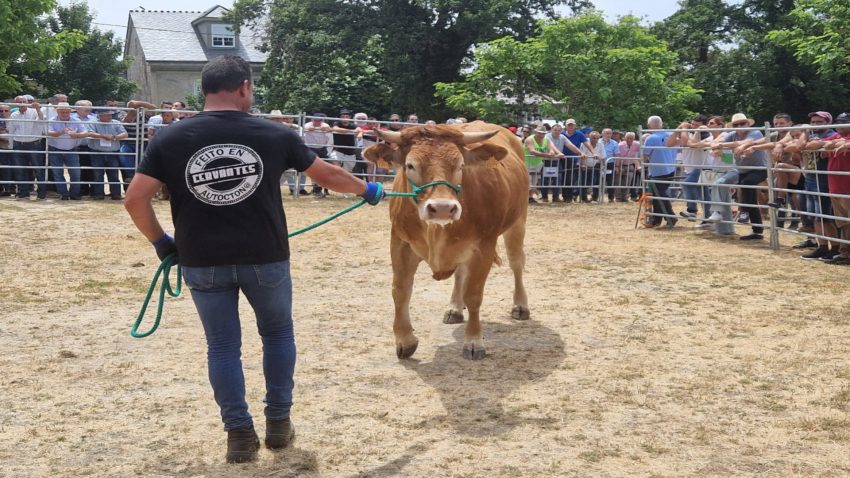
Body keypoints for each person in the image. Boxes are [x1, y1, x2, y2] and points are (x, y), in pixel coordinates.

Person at [124, 55, 385, 464]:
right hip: (265, 257)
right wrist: (366, 189)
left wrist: (161, 242)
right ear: (244, 86)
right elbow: (328, 176)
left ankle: (239, 435)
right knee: (277, 336)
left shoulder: (170, 138)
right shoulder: (273, 133)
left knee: (222, 347)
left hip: (201, 260)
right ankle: (278, 423)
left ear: (204, 90)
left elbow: (134, 199)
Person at [709, 113, 770, 239]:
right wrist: (718, 149)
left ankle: (743, 211)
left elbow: (747, 141)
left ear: (748, 124)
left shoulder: (755, 132)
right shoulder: (731, 135)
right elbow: (716, 146)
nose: (739, 126)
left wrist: (721, 146)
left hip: (759, 169)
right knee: (750, 197)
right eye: (736, 125)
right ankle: (757, 230)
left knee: (746, 185)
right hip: (741, 170)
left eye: (742, 123)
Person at [788, 112, 839, 257]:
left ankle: (835, 247)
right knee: (815, 216)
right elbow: (797, 151)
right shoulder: (810, 135)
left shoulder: (833, 135)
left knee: (825, 216)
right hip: (810, 178)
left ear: (828, 123)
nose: (815, 124)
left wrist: (804, 135)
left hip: (824, 179)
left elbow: (801, 146)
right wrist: (803, 138)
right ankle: (822, 246)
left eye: (819, 122)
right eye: (813, 122)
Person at [803, 113, 850, 264]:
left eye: (844, 122)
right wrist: (830, 143)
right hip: (835, 186)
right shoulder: (836, 136)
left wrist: (838, 143)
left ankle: (844, 253)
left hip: (846, 186)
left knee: (845, 221)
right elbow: (809, 146)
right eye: (838, 121)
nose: (839, 124)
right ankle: (844, 253)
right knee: (843, 222)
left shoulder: (839, 137)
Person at [667, 115, 710, 221]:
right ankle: (708, 218)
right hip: (690, 168)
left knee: (687, 184)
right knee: (703, 194)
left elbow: (686, 143)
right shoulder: (687, 134)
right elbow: (669, 143)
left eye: (697, 125)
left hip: (700, 167)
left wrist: (684, 129)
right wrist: (678, 129)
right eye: (692, 124)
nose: (693, 126)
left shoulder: (704, 133)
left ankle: (692, 211)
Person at [46, 102, 89, 200]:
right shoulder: (52, 120)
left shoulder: (76, 120)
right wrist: (61, 132)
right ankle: (63, 194)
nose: (65, 114)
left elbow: (85, 132)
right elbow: (49, 133)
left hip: (72, 149)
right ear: (57, 112)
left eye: (67, 112)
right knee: (58, 173)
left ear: (70, 111)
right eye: (62, 112)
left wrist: (76, 135)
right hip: (55, 149)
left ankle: (74, 193)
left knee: (75, 173)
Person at [8, 96, 46, 200]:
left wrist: (38, 109)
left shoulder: (35, 112)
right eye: (19, 102)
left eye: (23, 101)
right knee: (19, 169)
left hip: (34, 144)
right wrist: (11, 146)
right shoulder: (14, 115)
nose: (22, 103)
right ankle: (23, 192)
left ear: (27, 102)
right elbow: (11, 130)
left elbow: (41, 121)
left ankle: (42, 192)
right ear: (16, 103)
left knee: (38, 169)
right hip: (18, 144)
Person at [643, 116, 678, 227]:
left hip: (658, 171)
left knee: (659, 195)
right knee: (657, 195)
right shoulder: (671, 135)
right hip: (671, 169)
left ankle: (670, 217)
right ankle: (657, 219)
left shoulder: (651, 138)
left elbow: (645, 155)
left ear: (649, 126)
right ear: (661, 124)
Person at [87, 108, 128, 200]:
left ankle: (116, 194)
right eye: (107, 115)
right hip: (97, 152)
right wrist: (103, 136)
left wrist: (114, 137)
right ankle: (98, 194)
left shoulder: (116, 123)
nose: (110, 116)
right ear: (100, 115)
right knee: (97, 174)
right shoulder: (93, 123)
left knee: (114, 174)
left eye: (110, 115)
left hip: (113, 152)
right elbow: (90, 133)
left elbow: (125, 134)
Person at [303, 113, 333, 197]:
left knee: (326, 168)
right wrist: (316, 129)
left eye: (319, 120)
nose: (317, 122)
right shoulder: (308, 125)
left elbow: (329, 131)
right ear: (312, 120)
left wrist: (325, 129)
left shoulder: (325, 125)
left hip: (322, 149)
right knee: (315, 169)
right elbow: (305, 129)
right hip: (310, 148)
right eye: (315, 120)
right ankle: (317, 189)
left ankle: (324, 188)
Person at [615, 132, 641, 202]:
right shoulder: (620, 145)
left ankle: (625, 197)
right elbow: (618, 156)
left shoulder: (637, 145)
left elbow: (638, 155)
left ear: (634, 138)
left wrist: (638, 166)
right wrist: (618, 166)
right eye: (627, 138)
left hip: (630, 165)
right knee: (618, 182)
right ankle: (618, 198)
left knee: (628, 183)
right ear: (625, 138)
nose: (629, 140)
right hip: (621, 165)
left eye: (631, 138)